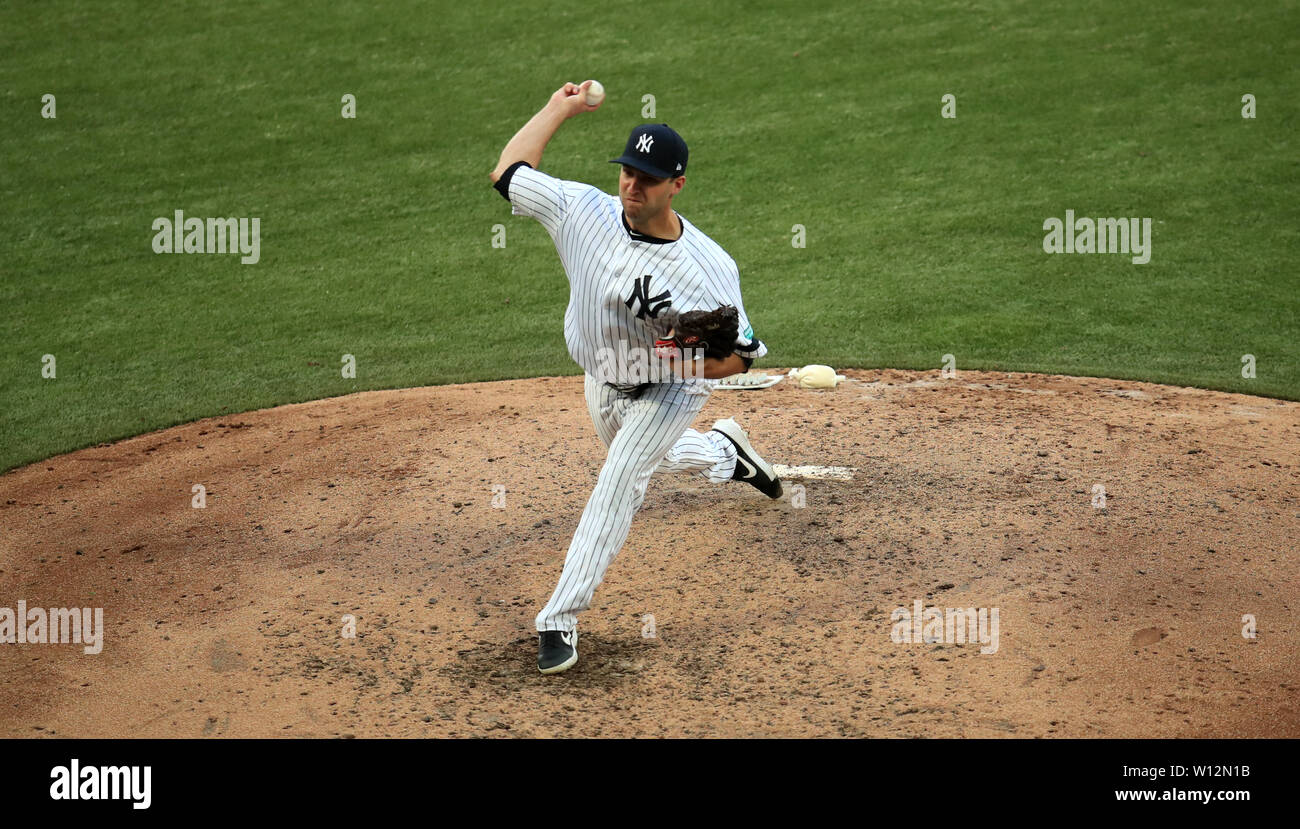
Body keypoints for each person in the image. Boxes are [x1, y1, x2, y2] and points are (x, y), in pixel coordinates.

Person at [490, 80, 782, 675]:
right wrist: (559, 108)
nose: (632, 184)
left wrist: (690, 362)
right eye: (627, 171)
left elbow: (742, 359)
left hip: (672, 387)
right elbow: (507, 172)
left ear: (676, 185)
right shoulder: (582, 210)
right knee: (654, 457)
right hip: (604, 376)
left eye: (647, 177)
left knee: (622, 475)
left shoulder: (709, 267)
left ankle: (559, 618)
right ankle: (728, 452)